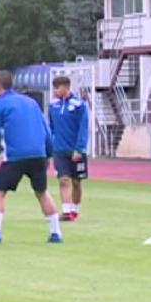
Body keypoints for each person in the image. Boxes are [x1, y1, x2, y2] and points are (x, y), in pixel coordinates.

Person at [0, 70, 62, 245]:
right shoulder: (31, 102)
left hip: (15, 156)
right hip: (38, 154)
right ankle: (56, 232)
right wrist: (48, 153)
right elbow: (46, 129)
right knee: (42, 192)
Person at [49, 76, 90, 222]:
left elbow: (83, 128)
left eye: (57, 88)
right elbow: (51, 127)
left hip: (75, 150)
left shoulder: (79, 105)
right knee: (63, 180)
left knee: (76, 182)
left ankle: (75, 210)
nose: (55, 91)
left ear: (66, 87)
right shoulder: (53, 105)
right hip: (59, 149)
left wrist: (79, 148)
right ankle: (66, 212)